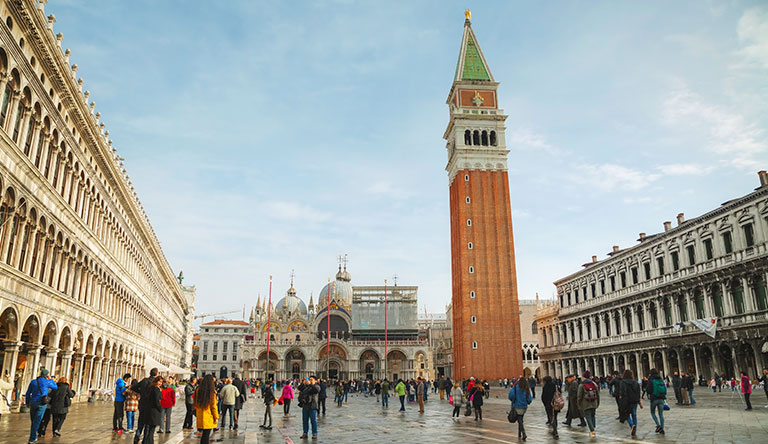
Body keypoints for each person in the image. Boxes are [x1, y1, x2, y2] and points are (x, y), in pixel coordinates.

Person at [25, 367, 58, 444]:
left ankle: (33, 436)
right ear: (47, 375)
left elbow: (28, 393)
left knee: (33, 420)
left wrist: (27, 402)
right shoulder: (47, 382)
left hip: (33, 402)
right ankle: (32, 438)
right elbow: (55, 387)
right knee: (37, 420)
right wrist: (51, 379)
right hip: (41, 403)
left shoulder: (33, 382)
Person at [132, 367, 159, 444]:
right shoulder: (154, 383)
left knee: (140, 422)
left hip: (142, 404)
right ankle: (145, 439)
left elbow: (133, 387)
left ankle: (137, 437)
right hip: (150, 405)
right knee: (148, 423)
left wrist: (140, 392)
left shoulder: (144, 380)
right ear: (156, 374)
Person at [195, 375, 219, 444]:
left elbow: (196, 402)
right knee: (206, 435)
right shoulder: (212, 392)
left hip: (200, 415)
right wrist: (216, 417)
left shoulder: (198, 389)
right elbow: (213, 406)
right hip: (208, 416)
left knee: (204, 435)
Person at [577, 370, 600, 438]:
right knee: (593, 415)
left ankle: (592, 430)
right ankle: (593, 427)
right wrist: (597, 403)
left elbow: (579, 396)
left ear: (584, 377)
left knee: (588, 417)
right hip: (594, 403)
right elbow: (598, 394)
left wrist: (579, 404)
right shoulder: (594, 384)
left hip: (586, 404)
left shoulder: (581, 385)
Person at [618, 369, 641, 436]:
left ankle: (632, 425)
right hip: (634, 401)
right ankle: (635, 427)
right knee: (634, 414)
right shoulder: (635, 382)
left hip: (627, 401)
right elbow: (638, 392)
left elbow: (622, 393)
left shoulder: (622, 382)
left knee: (626, 414)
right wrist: (639, 400)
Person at [142, 376, 164, 444]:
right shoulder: (156, 389)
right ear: (156, 381)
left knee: (150, 428)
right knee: (152, 429)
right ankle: (149, 442)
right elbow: (157, 401)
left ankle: (148, 441)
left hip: (149, 410)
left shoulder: (151, 388)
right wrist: (160, 409)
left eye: (161, 382)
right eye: (159, 381)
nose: (160, 383)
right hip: (154, 411)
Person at [298, 376, 320, 440]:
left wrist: (310, 384)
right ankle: (305, 433)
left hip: (312, 406)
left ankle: (314, 433)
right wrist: (303, 383)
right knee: (305, 420)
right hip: (305, 405)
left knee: (313, 420)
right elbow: (299, 388)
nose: (310, 381)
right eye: (309, 379)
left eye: (311, 380)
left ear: (315, 381)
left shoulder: (317, 386)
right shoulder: (306, 387)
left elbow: (316, 390)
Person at [646, 368, 666, 434]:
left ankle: (658, 425)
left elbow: (648, 390)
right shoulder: (660, 379)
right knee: (661, 414)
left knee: (653, 413)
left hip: (654, 398)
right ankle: (662, 428)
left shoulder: (651, 379)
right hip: (661, 399)